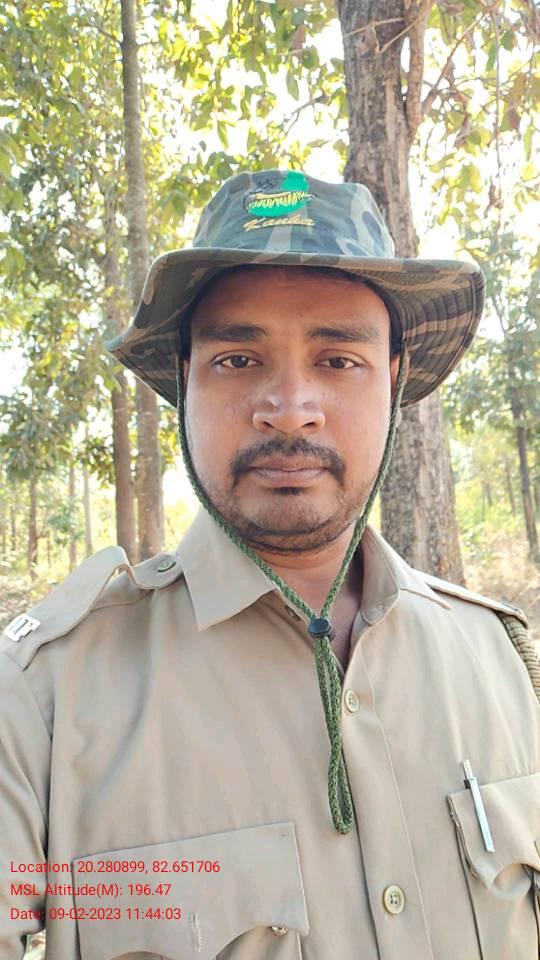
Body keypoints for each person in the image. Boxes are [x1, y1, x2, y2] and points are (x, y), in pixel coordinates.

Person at [1, 169, 539, 960]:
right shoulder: (41, 697)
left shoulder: (503, 662)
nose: (290, 409)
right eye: (237, 360)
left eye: (339, 360)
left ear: (393, 381)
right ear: (184, 381)